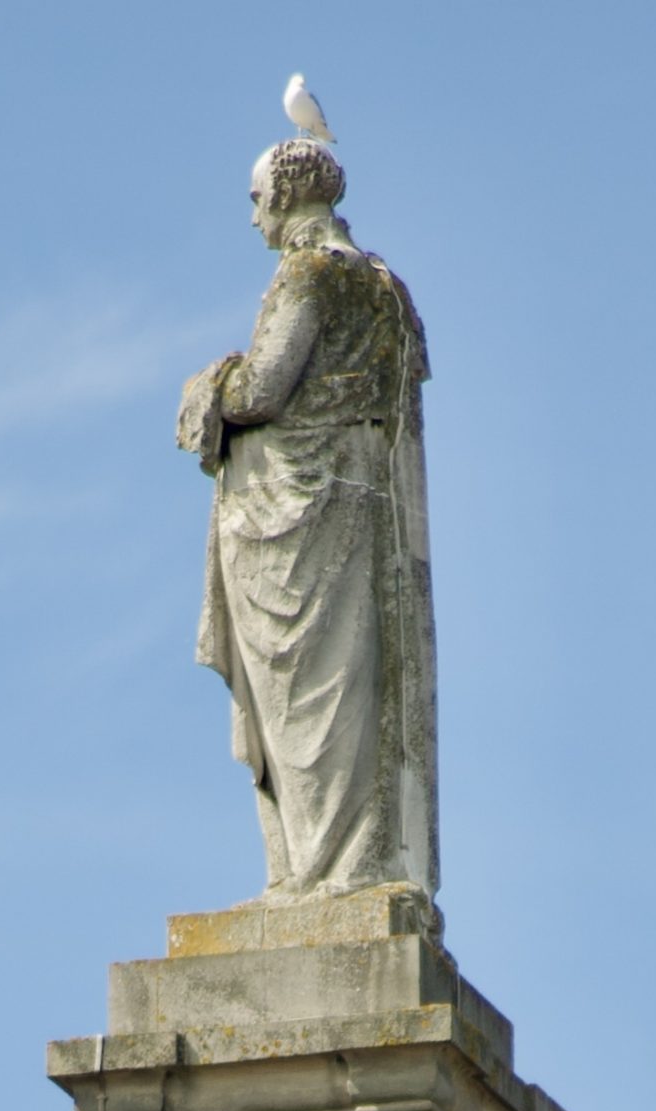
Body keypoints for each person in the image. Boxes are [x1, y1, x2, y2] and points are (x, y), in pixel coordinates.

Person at [176, 137, 438, 899]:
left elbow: (261, 389)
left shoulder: (309, 273)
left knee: (307, 703)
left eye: (257, 196)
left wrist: (208, 385)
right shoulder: (389, 289)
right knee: (350, 691)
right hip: (362, 506)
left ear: (287, 195)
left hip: (301, 516)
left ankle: (319, 871)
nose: (253, 212)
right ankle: (340, 864)